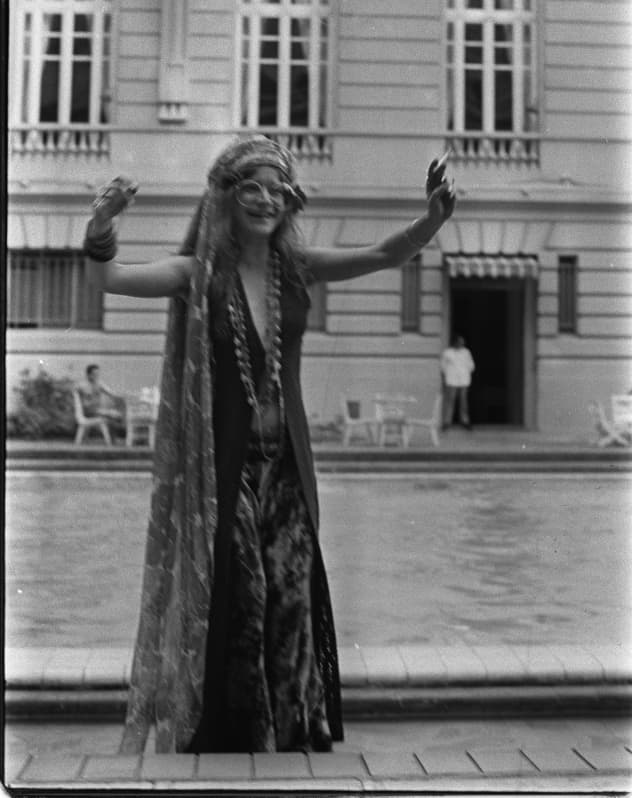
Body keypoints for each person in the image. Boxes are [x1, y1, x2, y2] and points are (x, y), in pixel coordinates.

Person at [83, 136, 456, 755]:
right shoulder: (198, 274)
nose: (264, 200)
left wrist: (432, 219)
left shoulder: (296, 268)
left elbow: (382, 255)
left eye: (276, 190)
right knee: (244, 591)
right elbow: (110, 279)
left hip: (286, 462)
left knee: (290, 591)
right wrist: (102, 227)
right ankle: (239, 730)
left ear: (289, 201)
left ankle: (293, 726)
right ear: (226, 199)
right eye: (250, 189)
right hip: (223, 466)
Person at [440, 334, 475, 430]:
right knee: (450, 401)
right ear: (455, 342)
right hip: (451, 380)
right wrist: (446, 376)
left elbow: (471, 365)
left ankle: (465, 421)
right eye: (460, 342)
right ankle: (447, 422)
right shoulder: (447, 352)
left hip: (463, 380)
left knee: (464, 402)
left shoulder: (466, 352)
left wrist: (465, 372)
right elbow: (443, 366)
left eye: (462, 342)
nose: (461, 344)